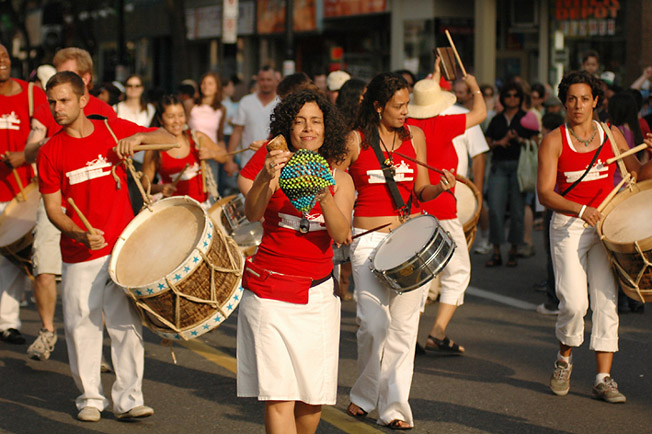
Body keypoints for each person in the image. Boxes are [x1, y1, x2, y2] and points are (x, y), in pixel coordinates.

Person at [38, 71, 174, 421]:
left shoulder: (111, 129)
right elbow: (54, 209)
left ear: (84, 100)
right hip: (80, 253)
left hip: (122, 248)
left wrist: (139, 138)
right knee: (82, 326)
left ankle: (129, 399)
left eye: (64, 100)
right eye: (52, 101)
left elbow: (170, 140)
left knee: (125, 325)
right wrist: (79, 234)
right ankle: (90, 399)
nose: (57, 108)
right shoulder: (50, 151)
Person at [336, 72, 452, 430]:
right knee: (373, 324)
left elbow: (422, 189)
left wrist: (439, 187)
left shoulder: (414, 137)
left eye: (407, 105)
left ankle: (395, 408)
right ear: (378, 106)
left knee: (403, 330)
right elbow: (335, 181)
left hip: (407, 242)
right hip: (367, 240)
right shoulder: (355, 141)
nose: (406, 112)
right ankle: (364, 394)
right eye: (399, 106)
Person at [236, 89, 354, 434]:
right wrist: (265, 177)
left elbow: (341, 233)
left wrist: (322, 191)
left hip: (317, 297)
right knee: (280, 395)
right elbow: (253, 213)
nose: (307, 128)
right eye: (299, 121)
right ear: (287, 128)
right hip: (269, 294)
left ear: (326, 128)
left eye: (315, 121)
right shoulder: (272, 166)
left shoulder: (341, 177)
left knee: (311, 397)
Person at [537, 70, 652, 404]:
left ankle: (603, 378)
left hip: (607, 224)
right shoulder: (554, 140)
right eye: (572, 99)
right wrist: (581, 208)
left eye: (585, 99)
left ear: (596, 102)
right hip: (569, 225)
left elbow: (635, 174)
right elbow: (545, 193)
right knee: (574, 304)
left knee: (606, 302)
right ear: (564, 102)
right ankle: (564, 359)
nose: (578, 105)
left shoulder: (611, 133)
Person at [23, 46, 117, 362]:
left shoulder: (105, 111)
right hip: (52, 194)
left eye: (69, 75)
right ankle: (48, 331)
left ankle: (96, 346)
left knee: (102, 280)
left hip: (94, 201)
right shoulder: (49, 108)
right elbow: (36, 140)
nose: (57, 102)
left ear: (86, 79)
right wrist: (31, 151)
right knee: (44, 267)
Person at [406, 59, 486, 355]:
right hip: (441, 208)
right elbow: (480, 112)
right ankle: (437, 331)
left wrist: (436, 75)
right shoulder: (442, 123)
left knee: (419, 274)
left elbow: (425, 94)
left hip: (413, 209)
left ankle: (409, 333)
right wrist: (475, 86)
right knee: (458, 271)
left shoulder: (407, 125)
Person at [0, 43, 48, 345]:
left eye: (4, 56)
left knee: (15, 261)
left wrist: (24, 156)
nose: (1, 61)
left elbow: (49, 136)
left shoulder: (32, 93)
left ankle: (8, 323)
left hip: (24, 192)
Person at [142, 95, 226, 206]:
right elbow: (145, 185)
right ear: (160, 119)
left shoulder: (197, 137)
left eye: (181, 115)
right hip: (174, 210)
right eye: (171, 116)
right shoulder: (154, 149)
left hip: (202, 206)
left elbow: (225, 156)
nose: (177, 121)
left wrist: (212, 154)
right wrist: (160, 188)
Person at [484, 82, 530, 267]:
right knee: (495, 209)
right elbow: (486, 143)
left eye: (516, 95)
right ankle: (496, 250)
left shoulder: (527, 118)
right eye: (508, 95)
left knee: (518, 210)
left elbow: (537, 141)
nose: (512, 98)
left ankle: (513, 250)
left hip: (520, 167)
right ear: (503, 98)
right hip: (499, 166)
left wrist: (518, 139)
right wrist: (499, 142)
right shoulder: (496, 119)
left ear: (520, 98)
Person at [226, 65, 280, 173]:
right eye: (262, 80)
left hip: (275, 163)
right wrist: (229, 160)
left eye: (269, 80)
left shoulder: (281, 103)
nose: (265, 83)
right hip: (248, 162)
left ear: (275, 81)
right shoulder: (246, 102)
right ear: (258, 81)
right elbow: (237, 131)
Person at [186, 71, 227, 192]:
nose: (206, 86)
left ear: (216, 87)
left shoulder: (221, 109)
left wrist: (224, 156)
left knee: (211, 190)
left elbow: (219, 136)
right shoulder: (190, 105)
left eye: (210, 83)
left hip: (211, 154)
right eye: (203, 83)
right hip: (192, 152)